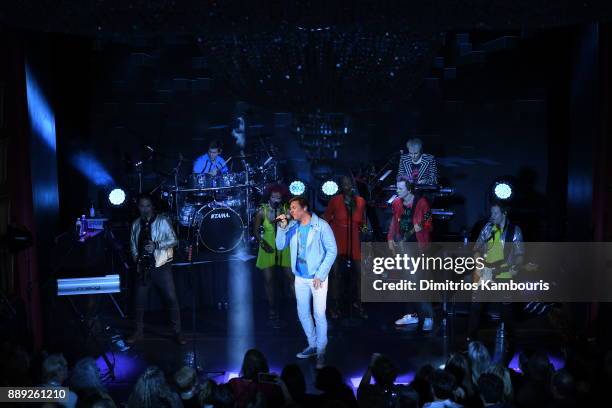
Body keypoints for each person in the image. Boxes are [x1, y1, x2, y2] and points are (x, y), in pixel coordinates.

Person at [276, 196, 337, 369]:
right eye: (290, 208)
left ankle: (321, 352)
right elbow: (280, 246)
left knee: (319, 314)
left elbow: (332, 250)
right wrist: (281, 228)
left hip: (317, 278)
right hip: (300, 277)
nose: (290, 211)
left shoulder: (321, 226)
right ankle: (313, 345)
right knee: (303, 313)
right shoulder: (293, 227)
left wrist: (321, 274)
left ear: (304, 208)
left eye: (294, 207)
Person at [128, 193, 185, 345]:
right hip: (144, 268)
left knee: (171, 299)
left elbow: (174, 240)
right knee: (139, 301)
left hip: (161, 266)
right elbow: (133, 245)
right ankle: (138, 332)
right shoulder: (135, 224)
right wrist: (137, 260)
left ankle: (177, 332)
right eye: (142, 206)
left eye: (147, 206)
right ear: (138, 207)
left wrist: (157, 245)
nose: (145, 209)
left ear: (152, 207)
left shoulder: (162, 220)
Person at [468, 201, 524, 346]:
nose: (492, 216)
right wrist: (479, 264)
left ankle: (512, 340)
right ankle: (471, 338)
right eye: (491, 213)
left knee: (506, 311)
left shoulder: (514, 230)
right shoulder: (488, 228)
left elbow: (519, 254)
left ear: (504, 213)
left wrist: (516, 267)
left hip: (504, 274)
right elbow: (477, 248)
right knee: (476, 306)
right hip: (486, 273)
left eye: (495, 213)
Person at [388, 177, 434, 331]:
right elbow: (394, 223)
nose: (397, 191)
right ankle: (410, 315)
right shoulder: (396, 203)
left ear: (409, 189)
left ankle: (428, 317)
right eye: (397, 188)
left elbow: (428, 221)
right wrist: (390, 238)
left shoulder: (421, 203)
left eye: (400, 188)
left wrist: (420, 226)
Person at [323, 175, 368, 319]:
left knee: (360, 273)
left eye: (349, 183)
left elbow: (364, 223)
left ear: (353, 184)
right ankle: (334, 306)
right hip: (337, 239)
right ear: (341, 186)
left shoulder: (361, 202)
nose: (347, 185)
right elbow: (326, 218)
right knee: (336, 274)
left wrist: (366, 233)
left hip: (354, 239)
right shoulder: (335, 201)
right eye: (344, 184)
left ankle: (358, 304)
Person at [253, 184, 293, 324]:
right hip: (267, 247)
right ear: (268, 197)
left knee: (290, 278)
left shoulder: (285, 210)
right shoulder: (261, 211)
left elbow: (289, 224)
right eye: (273, 196)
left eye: (278, 196)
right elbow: (256, 232)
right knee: (269, 280)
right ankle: (272, 308)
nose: (276, 198)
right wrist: (264, 244)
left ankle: (299, 308)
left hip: (283, 247)